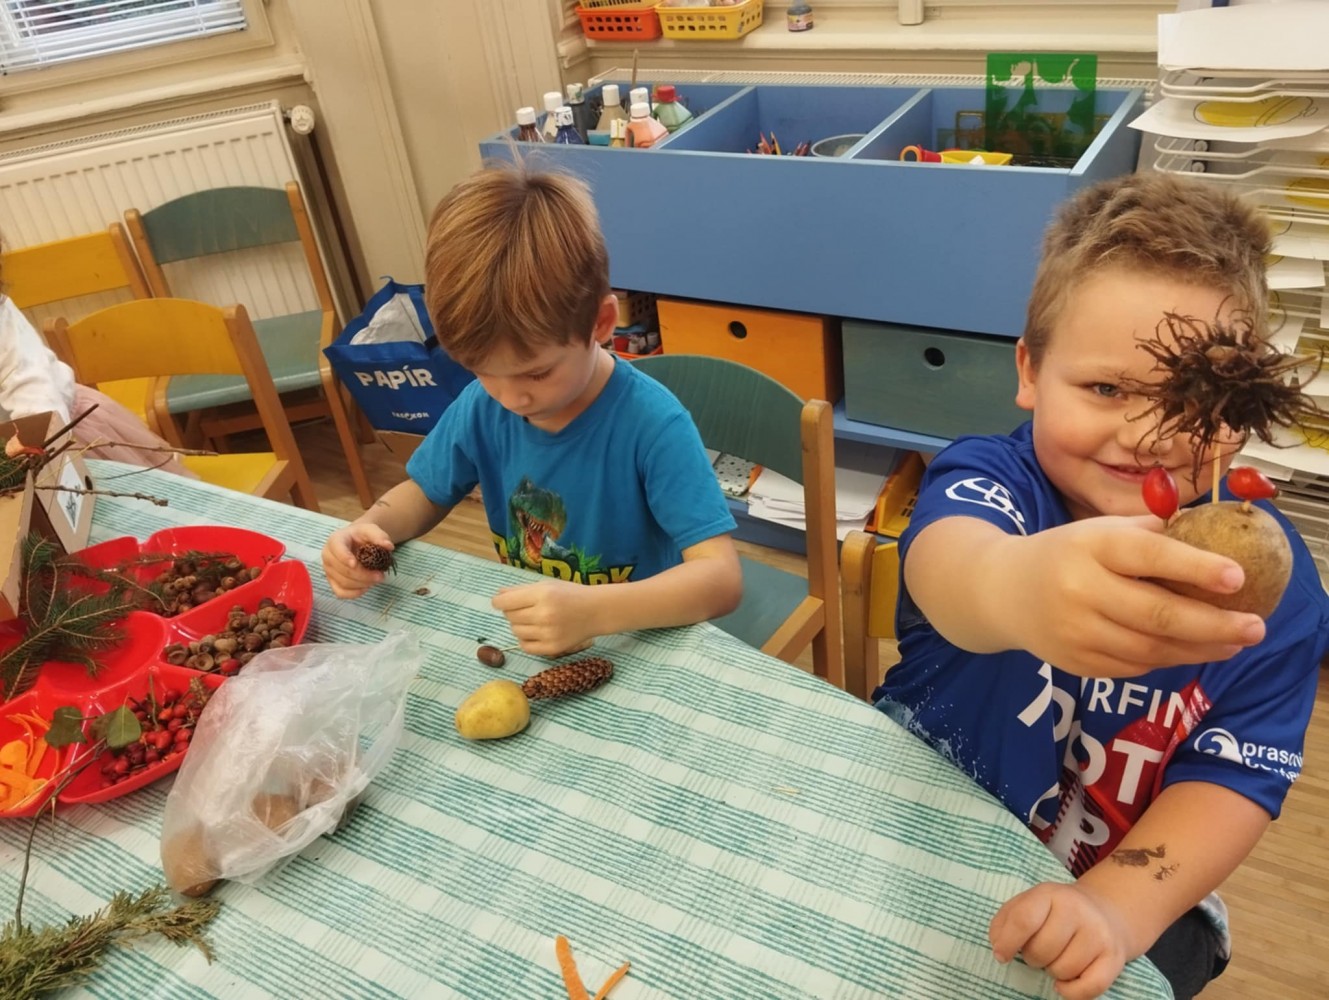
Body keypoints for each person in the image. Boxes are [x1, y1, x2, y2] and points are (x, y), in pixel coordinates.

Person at [873, 171, 1329, 1000]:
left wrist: (1114, 909)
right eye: (1106, 388)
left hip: (1130, 869)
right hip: (922, 812)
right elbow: (951, 563)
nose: (1147, 436)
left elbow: (1233, 778)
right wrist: (1016, 587)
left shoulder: (1279, 593)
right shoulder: (991, 480)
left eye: (1193, 400)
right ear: (1028, 369)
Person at [322, 164, 742, 656]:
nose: (510, 398)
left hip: (637, 638)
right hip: (537, 634)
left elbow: (721, 579)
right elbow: (425, 492)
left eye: (536, 374)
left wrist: (595, 612)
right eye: (481, 370)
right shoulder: (481, 406)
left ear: (601, 323)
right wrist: (369, 529)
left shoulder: (653, 425)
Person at [0, 241, 194, 477]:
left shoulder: (3, 319)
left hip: (69, 440)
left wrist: (36, 455)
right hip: (27, 448)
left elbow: (35, 397)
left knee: (142, 493)